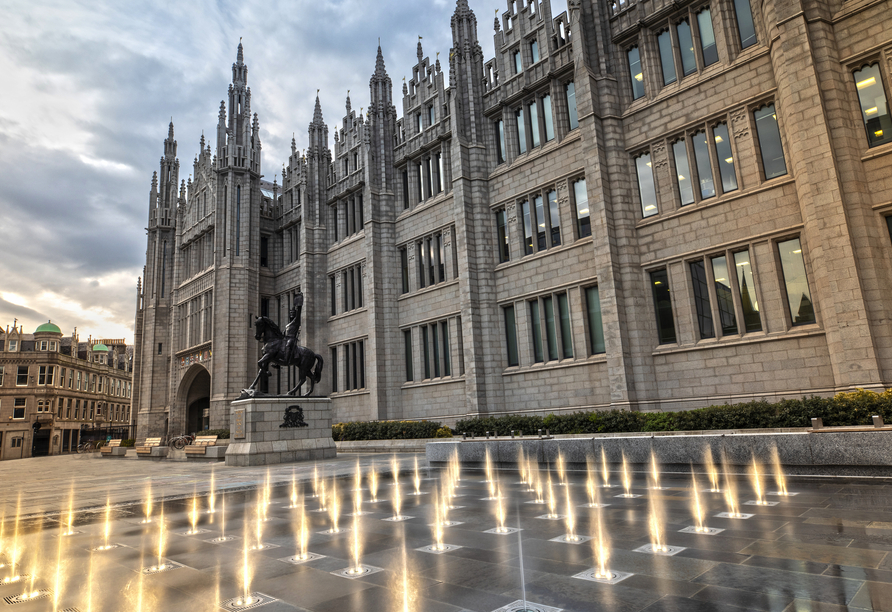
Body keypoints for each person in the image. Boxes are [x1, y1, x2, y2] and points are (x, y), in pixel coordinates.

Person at [283, 290, 303, 363]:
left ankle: (285, 360)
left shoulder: (295, 321)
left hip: (291, 339)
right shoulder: (288, 324)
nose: (291, 314)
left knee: (288, 345)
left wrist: (299, 303)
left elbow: (299, 313)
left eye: (293, 313)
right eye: (290, 312)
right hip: (285, 339)